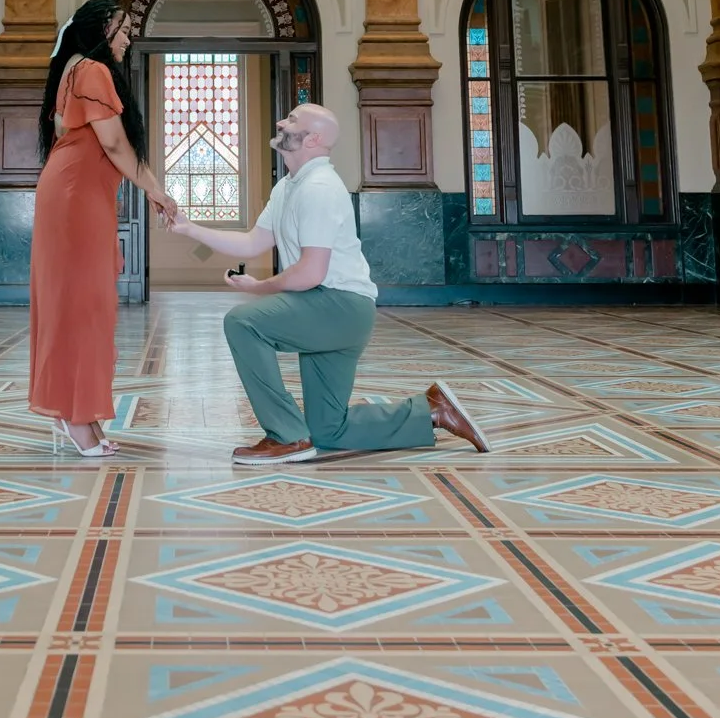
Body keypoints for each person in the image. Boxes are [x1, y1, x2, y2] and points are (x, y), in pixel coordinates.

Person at [173, 103, 488, 464]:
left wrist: (258, 287)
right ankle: (430, 411)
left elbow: (311, 273)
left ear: (315, 138)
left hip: (337, 305)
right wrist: (188, 228)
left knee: (242, 323)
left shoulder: (319, 188)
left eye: (292, 120)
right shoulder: (289, 187)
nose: (280, 121)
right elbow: (251, 243)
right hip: (331, 308)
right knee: (328, 429)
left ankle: (286, 437)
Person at [29, 0, 177, 458]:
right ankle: (75, 417)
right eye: (122, 28)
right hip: (76, 199)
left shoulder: (72, 69)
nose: (128, 37)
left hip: (75, 193)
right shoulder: (91, 70)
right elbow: (113, 142)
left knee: (83, 303)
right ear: (99, 30)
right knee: (82, 305)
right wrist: (157, 190)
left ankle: (79, 411)